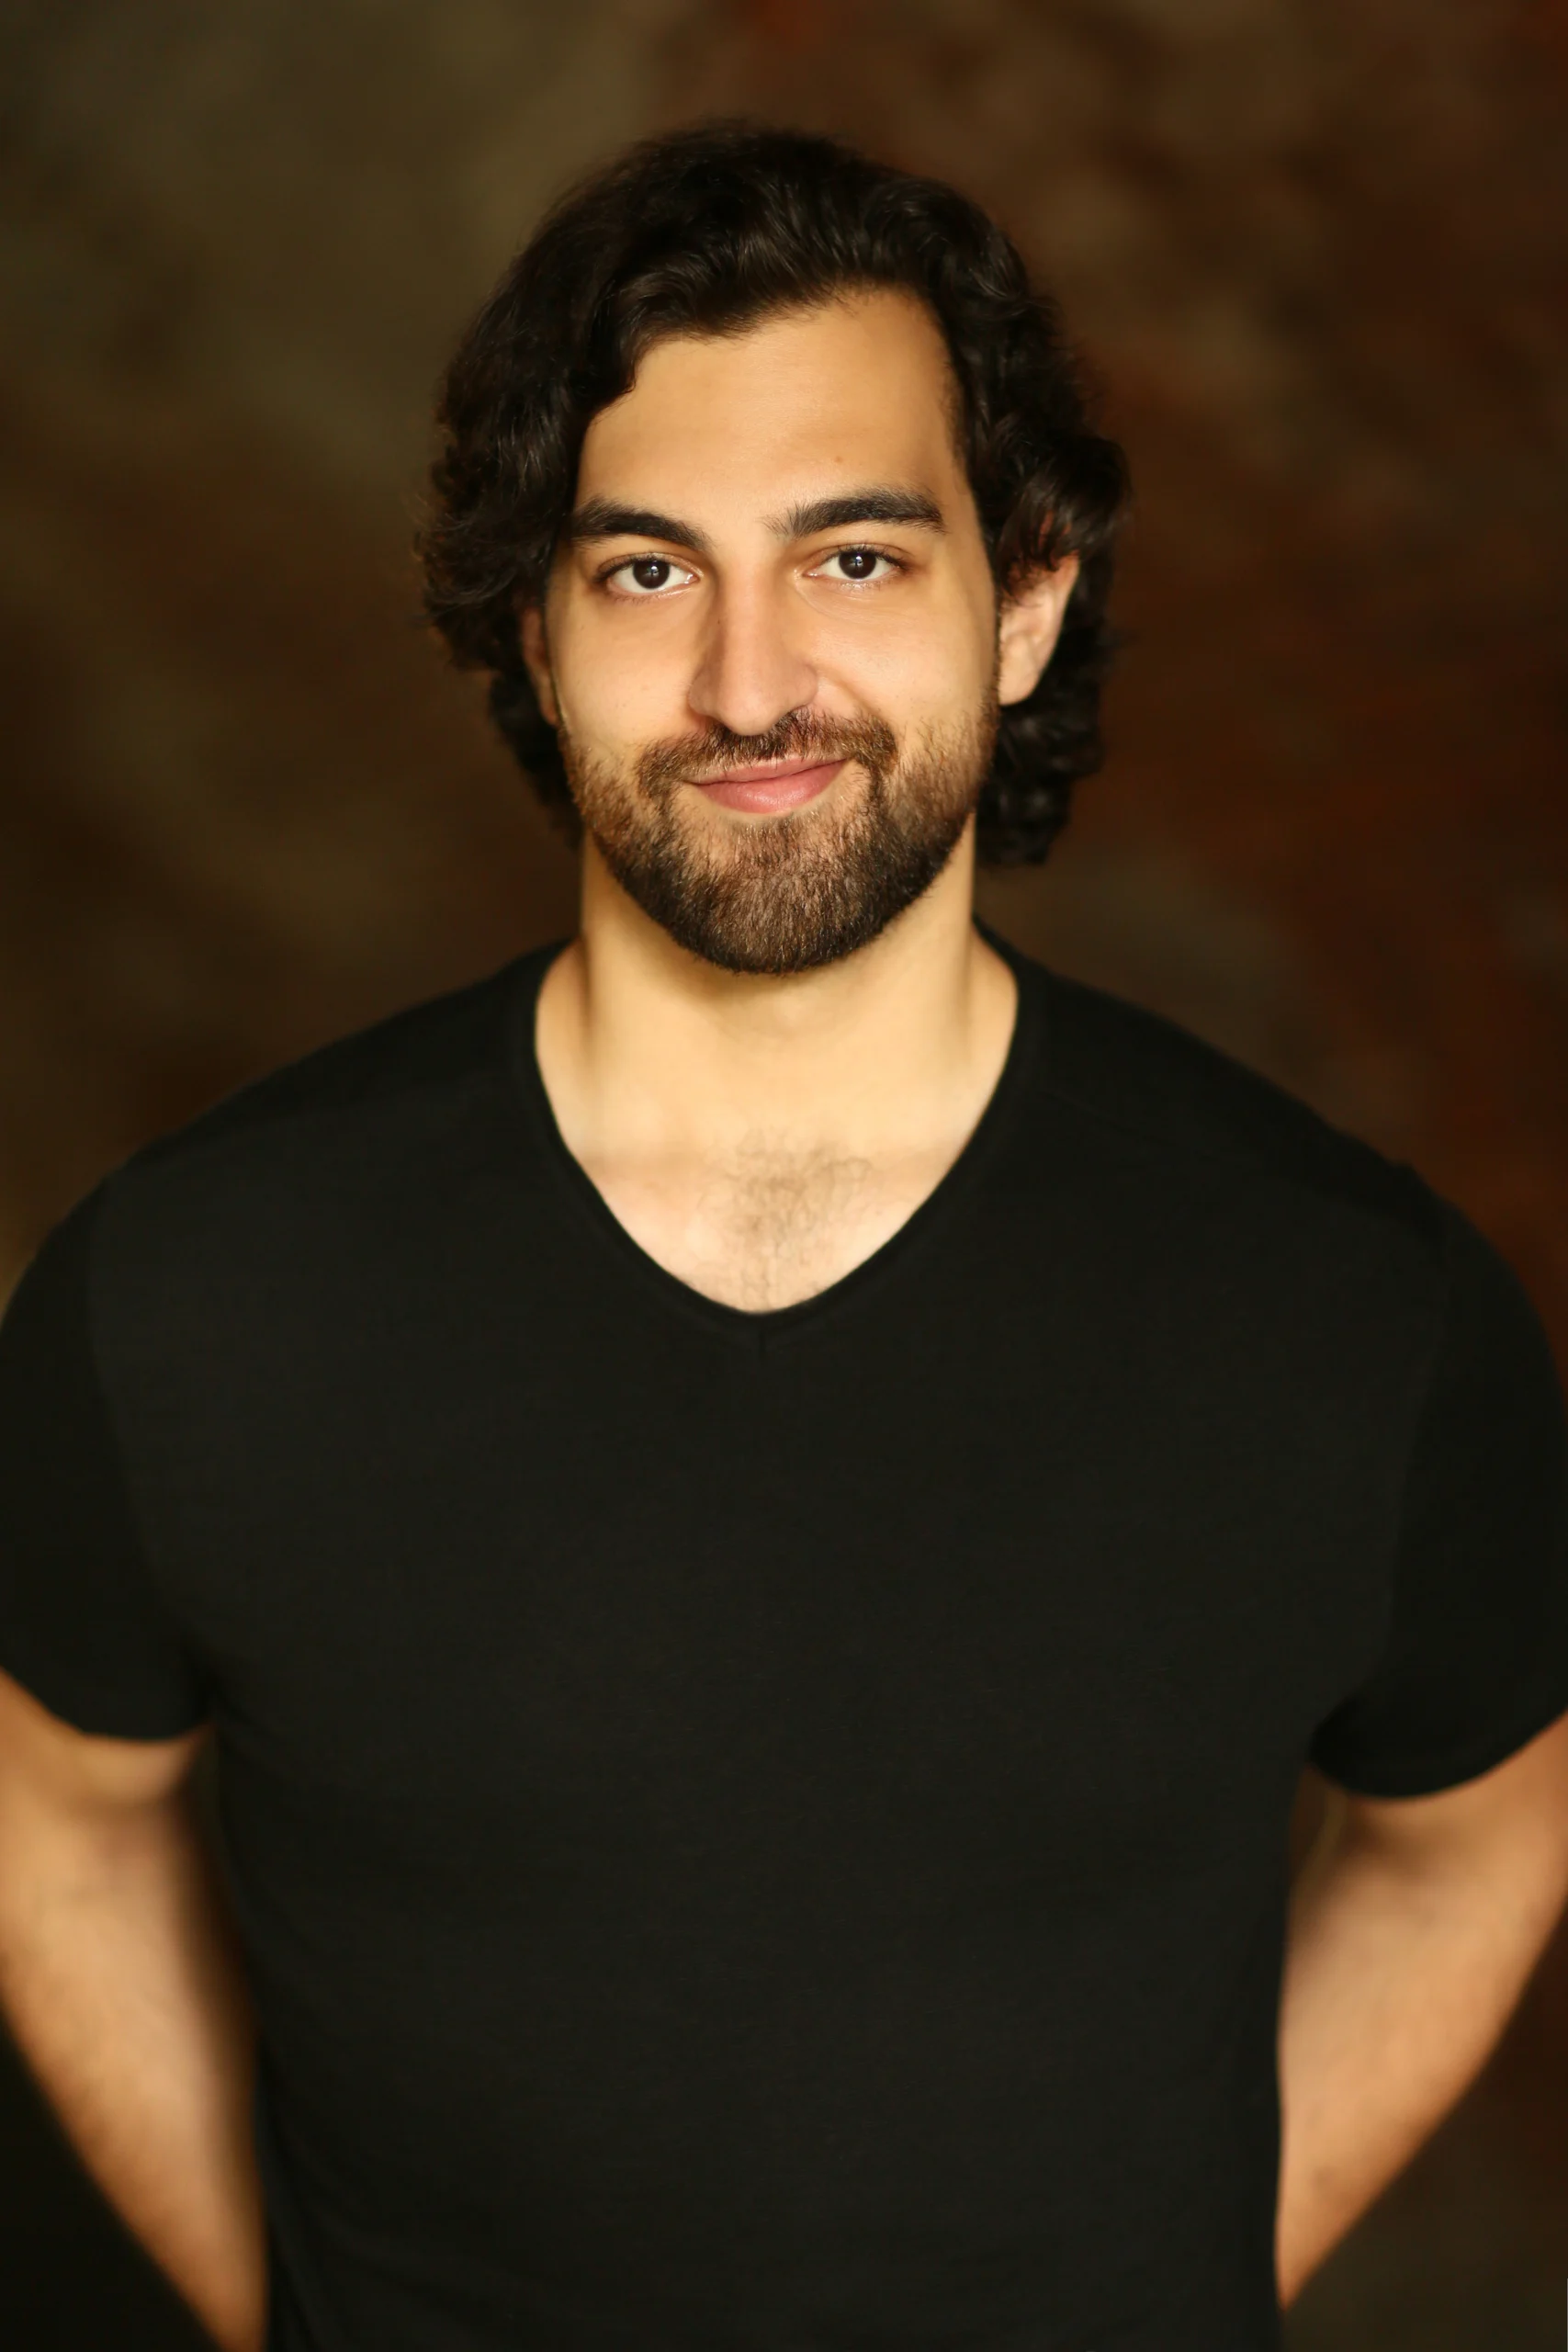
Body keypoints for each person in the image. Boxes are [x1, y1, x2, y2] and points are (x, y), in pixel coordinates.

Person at [1, 119, 1566, 2352]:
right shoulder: (189, 1297)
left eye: (850, 558)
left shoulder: (1355, 1313)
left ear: (1020, 599)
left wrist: (1173, 2278)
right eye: (644, 570)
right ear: (533, 635)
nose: (749, 685)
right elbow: (49, 1816)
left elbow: (1483, 1830)